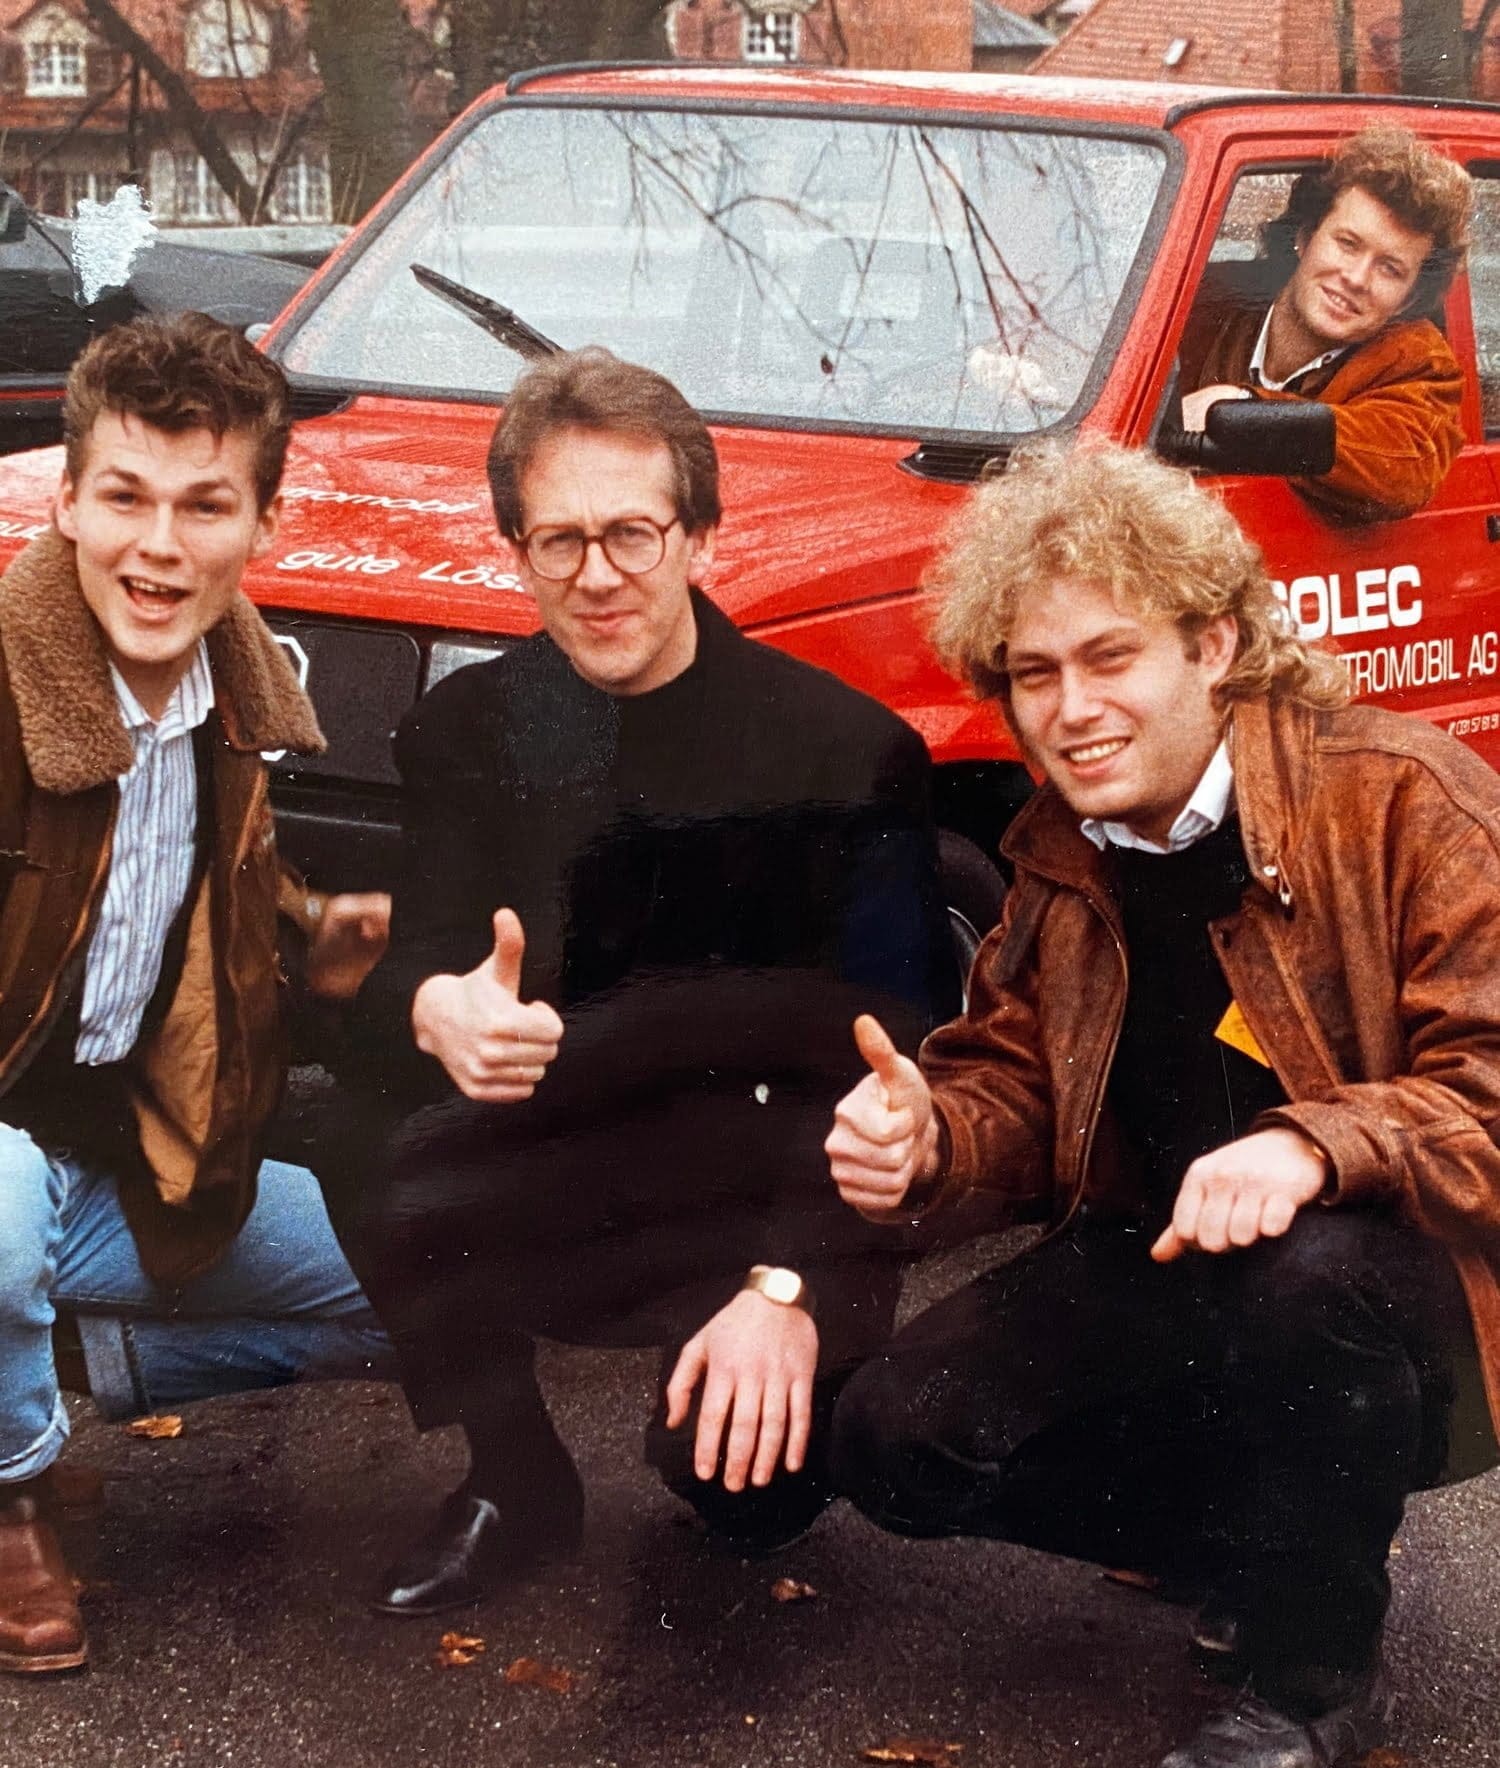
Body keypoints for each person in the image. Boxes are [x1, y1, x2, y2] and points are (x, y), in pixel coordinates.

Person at [823, 441, 1500, 1768]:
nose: (1071, 707)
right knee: (896, 1438)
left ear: (1218, 643)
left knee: (1309, 1278)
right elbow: (1013, 1079)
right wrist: (933, 1136)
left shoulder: (1404, 796)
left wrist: (1316, 1141)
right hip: (1176, 1257)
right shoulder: (1061, 846)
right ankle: (1275, 1537)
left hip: (1410, 1280)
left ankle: (1315, 1669)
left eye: (1110, 656)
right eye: (1034, 671)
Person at [333, 345, 955, 1618]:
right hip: (578, 1158)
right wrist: (434, 1004)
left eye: (631, 531)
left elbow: (904, 1055)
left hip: (781, 1182)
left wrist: (787, 1283)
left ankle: (762, 1399)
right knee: (364, 1121)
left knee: (736, 1502)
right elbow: (420, 951)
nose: (598, 574)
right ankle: (514, 1474)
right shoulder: (473, 731)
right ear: (516, 548)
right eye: (557, 540)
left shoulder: (845, 750)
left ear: (701, 536)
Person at [0, 313, 395, 1676]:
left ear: (261, 524)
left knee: (417, 1278)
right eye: (124, 497)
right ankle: (17, 1495)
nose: (158, 547)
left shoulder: (235, 703)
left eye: (203, 505)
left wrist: (322, 965)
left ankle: (42, 1374)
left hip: (114, 1155)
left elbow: (198, 948)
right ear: (65, 499)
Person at [1176, 125, 1472, 523]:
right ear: (1305, 237)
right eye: (1347, 243)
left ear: (1410, 297)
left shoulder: (1419, 359)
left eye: (1390, 268)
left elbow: (1404, 463)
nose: (1356, 278)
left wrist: (1248, 410)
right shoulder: (1203, 300)